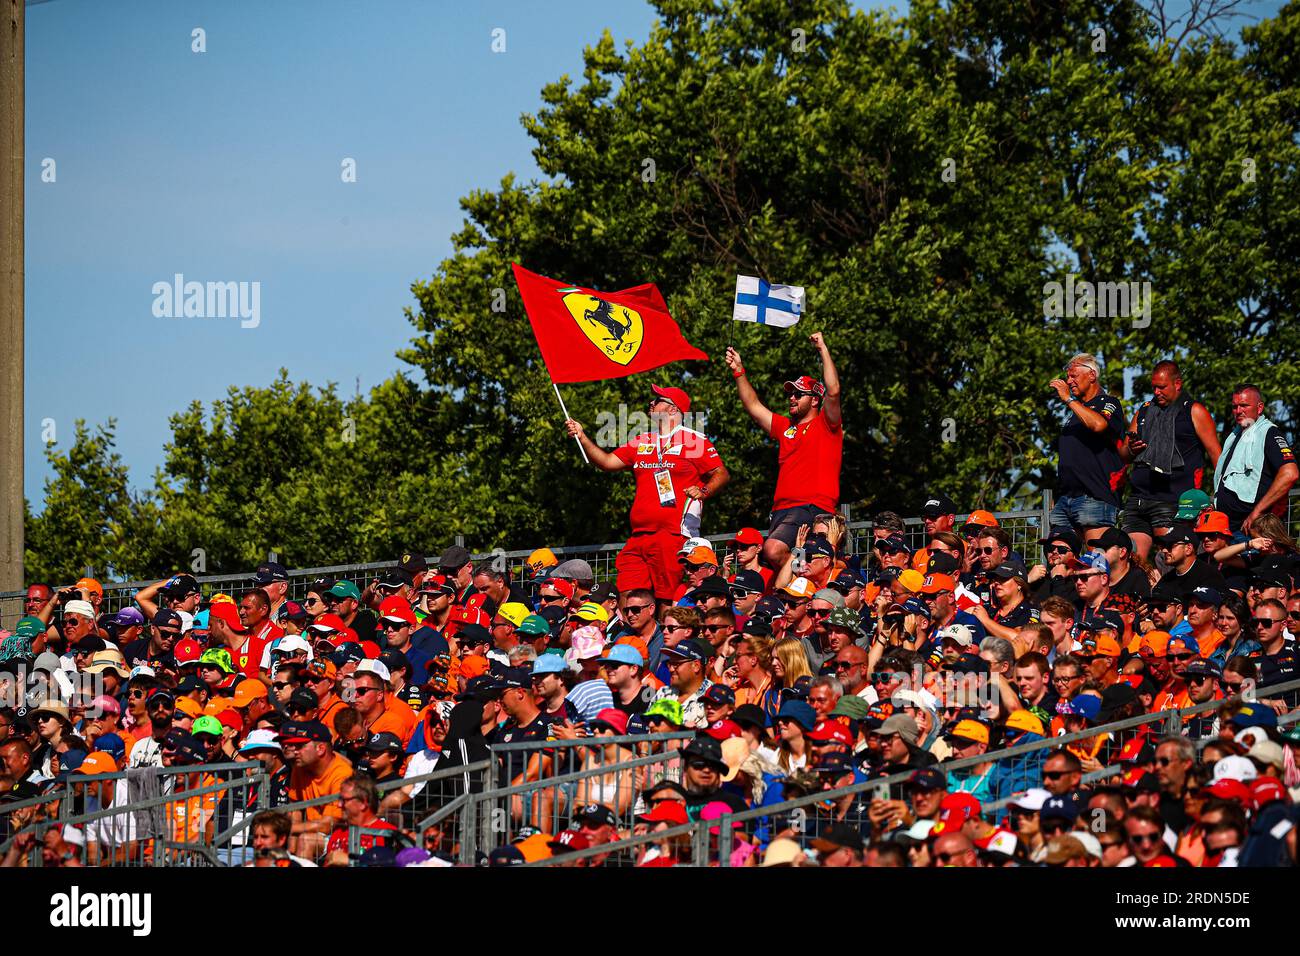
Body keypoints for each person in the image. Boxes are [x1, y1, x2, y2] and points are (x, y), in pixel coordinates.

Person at [565, 385, 729, 606]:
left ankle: (664, 640)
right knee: (628, 595)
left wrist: (703, 491)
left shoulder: (694, 440)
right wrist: (582, 436)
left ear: (672, 409)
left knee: (665, 599)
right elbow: (606, 462)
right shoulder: (641, 440)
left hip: (673, 534)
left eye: (657, 400)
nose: (651, 404)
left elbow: (721, 473)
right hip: (638, 536)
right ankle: (629, 640)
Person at [724, 331, 843, 571]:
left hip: (812, 506)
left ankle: (826, 567)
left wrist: (822, 349)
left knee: (773, 549)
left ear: (814, 400)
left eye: (799, 394)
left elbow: (834, 391)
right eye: (790, 393)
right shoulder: (785, 427)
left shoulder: (826, 424)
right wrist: (739, 371)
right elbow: (753, 406)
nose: (792, 398)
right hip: (781, 509)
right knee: (786, 562)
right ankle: (808, 574)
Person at [1119, 361, 1222, 561]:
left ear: (1177, 384)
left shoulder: (1194, 410)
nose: (1156, 392)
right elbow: (1123, 453)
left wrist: (1220, 495)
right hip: (1138, 499)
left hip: (1172, 499)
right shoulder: (1145, 410)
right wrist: (1130, 449)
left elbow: (1216, 454)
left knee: (1169, 559)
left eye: (1162, 387)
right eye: (1154, 387)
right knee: (1132, 560)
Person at [1048, 353, 1126, 537]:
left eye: (1073, 375)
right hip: (1066, 499)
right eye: (1067, 377)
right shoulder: (1076, 413)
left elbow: (1099, 425)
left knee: (1095, 560)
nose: (1069, 381)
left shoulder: (1108, 402)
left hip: (1095, 497)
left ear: (1092, 375)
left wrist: (1068, 399)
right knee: (1058, 555)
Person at [1213, 384, 1299, 533]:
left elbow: (1290, 473)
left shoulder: (1269, 433)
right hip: (1228, 529)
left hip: (1252, 529)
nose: (1238, 411)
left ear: (1259, 408)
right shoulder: (1235, 435)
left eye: (1244, 405)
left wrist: (1257, 512)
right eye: (1235, 407)